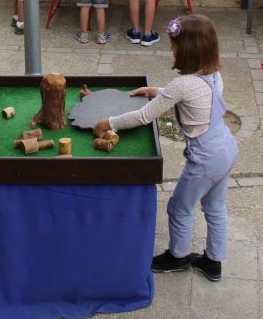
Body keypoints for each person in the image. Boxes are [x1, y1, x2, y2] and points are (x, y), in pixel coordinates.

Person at [92, 15, 237, 282]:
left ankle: (178, 257)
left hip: (205, 158)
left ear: (188, 51)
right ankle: (214, 262)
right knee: (215, 207)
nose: (171, 49)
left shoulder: (181, 84)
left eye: (174, 46)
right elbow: (194, 95)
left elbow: (144, 117)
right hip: (226, 148)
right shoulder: (214, 75)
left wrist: (108, 122)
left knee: (179, 207)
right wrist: (156, 90)